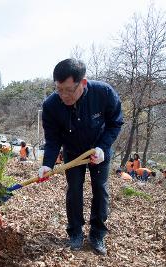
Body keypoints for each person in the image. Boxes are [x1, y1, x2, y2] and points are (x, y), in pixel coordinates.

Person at [38, 58, 123, 255]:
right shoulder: (51, 105)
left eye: (68, 90)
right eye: (59, 89)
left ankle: (97, 233)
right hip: (73, 152)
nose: (63, 95)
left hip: (98, 152)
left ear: (82, 83)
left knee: (100, 189)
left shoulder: (103, 93)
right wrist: (47, 164)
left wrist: (103, 147)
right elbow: (52, 139)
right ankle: (75, 231)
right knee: (74, 190)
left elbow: (115, 122)